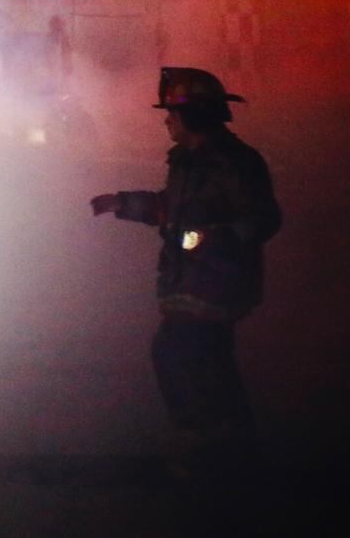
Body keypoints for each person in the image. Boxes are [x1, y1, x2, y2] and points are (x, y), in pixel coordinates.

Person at [91, 67, 281, 479]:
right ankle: (235, 446)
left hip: (216, 283)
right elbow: (169, 208)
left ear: (193, 116)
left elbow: (262, 218)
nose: (166, 121)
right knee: (210, 362)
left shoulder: (234, 163)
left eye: (172, 114)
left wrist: (214, 237)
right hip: (192, 282)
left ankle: (202, 445)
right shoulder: (187, 163)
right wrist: (120, 203)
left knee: (176, 354)